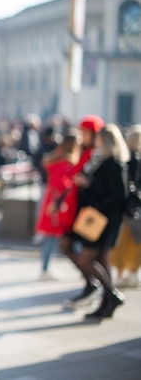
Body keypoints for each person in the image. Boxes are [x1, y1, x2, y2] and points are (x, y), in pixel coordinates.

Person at [67, 124, 129, 318]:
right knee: (102, 260)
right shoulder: (105, 161)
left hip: (103, 219)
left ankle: (111, 295)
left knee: (86, 258)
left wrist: (93, 190)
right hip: (101, 217)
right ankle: (107, 302)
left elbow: (119, 194)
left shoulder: (114, 163)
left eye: (99, 139)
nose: (96, 142)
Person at [58, 115, 104, 306]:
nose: (82, 136)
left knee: (91, 255)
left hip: (89, 211)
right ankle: (92, 285)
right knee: (69, 246)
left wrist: (86, 183)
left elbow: (102, 184)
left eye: (85, 133)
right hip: (78, 208)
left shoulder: (96, 154)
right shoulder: (84, 151)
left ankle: (104, 290)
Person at [33, 131, 80, 280]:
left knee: (52, 238)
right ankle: (46, 270)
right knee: (54, 237)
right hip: (58, 203)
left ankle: (46, 269)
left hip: (53, 201)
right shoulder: (65, 162)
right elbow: (62, 183)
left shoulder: (56, 158)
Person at [110, 124, 141, 288]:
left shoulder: (123, 157)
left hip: (123, 206)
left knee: (122, 241)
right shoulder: (136, 159)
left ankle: (121, 274)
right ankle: (132, 274)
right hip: (134, 207)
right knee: (135, 241)